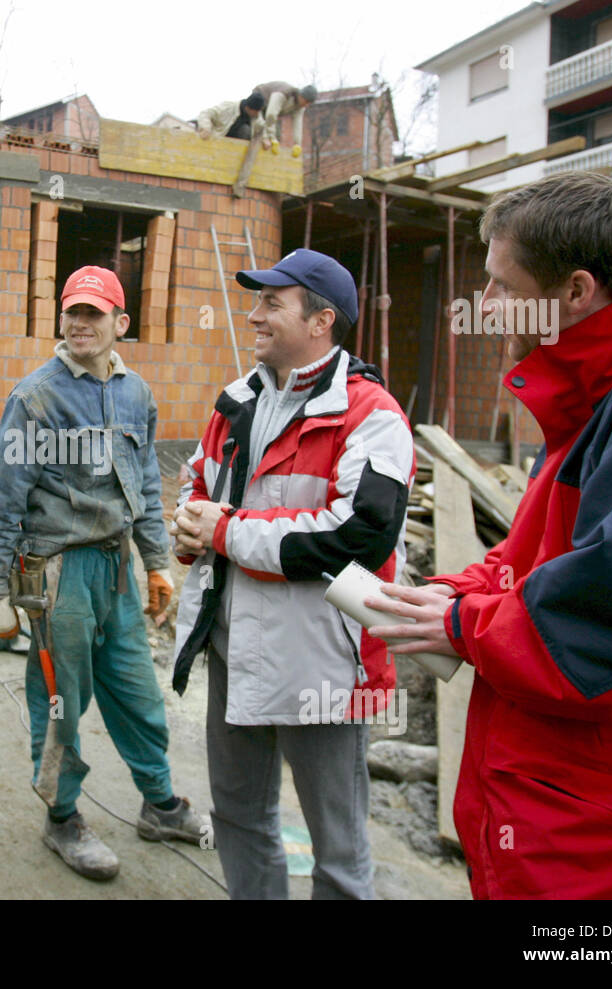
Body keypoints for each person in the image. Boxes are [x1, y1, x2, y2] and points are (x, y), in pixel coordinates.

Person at [367, 171, 612, 899]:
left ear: (576, 292)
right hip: (565, 819)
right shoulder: (605, 379)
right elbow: (540, 551)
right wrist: (459, 592)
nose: (484, 306)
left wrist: (468, 623)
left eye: (501, 285)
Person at [171, 248, 414, 900]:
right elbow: (199, 482)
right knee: (239, 818)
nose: (253, 315)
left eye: (271, 303)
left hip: (324, 670)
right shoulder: (236, 401)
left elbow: (356, 537)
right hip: (235, 653)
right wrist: (188, 525)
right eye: (255, 302)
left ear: (321, 320)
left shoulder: (376, 416)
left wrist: (223, 530)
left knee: (338, 849)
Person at [0, 265, 204, 881]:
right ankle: (63, 818)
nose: (81, 323)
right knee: (60, 701)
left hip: (116, 569)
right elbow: (0, 498)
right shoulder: (36, 397)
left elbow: (149, 488)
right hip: (57, 576)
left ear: (119, 324)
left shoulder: (137, 395)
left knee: (136, 691)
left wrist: (156, 562)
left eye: (94, 314)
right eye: (72, 311)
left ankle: (159, 805)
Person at [251, 81, 317, 153]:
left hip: (268, 109)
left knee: (278, 135)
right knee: (259, 126)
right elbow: (271, 114)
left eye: (309, 103)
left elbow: (298, 125)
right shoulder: (284, 93)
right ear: (301, 96)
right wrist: (270, 137)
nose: (306, 105)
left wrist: (297, 144)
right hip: (258, 102)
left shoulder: (300, 107)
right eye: (306, 101)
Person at [196, 92, 268, 143]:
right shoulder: (228, 107)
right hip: (217, 141)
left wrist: (265, 139)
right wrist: (205, 128)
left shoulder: (255, 117)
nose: (258, 114)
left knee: (245, 130)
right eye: (257, 111)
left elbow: (262, 127)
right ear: (249, 108)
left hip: (236, 150)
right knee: (245, 130)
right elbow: (205, 113)